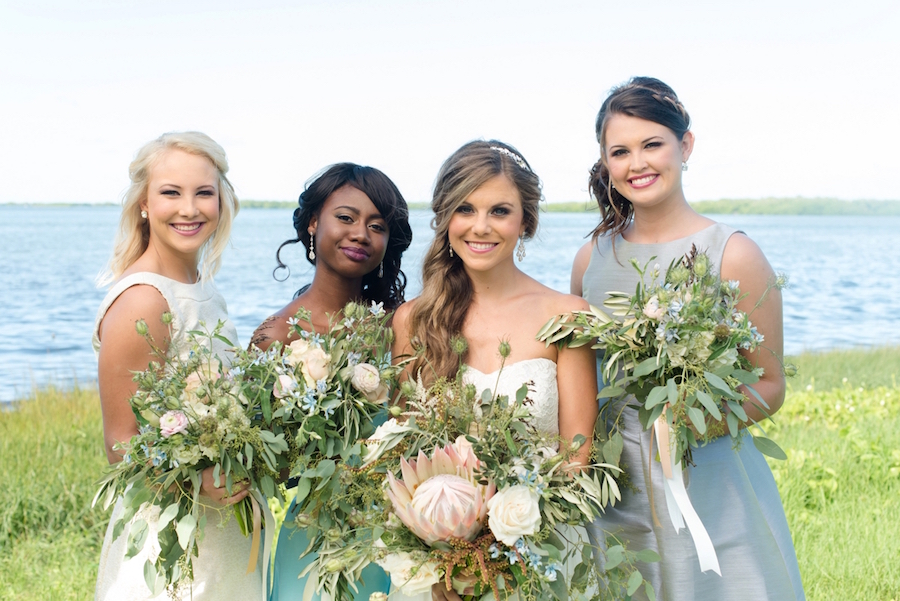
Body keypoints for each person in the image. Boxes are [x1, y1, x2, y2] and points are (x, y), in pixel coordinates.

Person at [571, 77, 805, 601]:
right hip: (614, 482)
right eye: (620, 151)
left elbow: (769, 385)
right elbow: (579, 374)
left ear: (686, 145)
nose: (638, 163)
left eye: (652, 144)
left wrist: (689, 424)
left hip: (707, 472)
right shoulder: (591, 259)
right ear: (605, 162)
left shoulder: (734, 253)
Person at [391, 140, 599, 601]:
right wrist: (448, 561)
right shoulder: (413, 321)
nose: (480, 227)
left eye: (499, 211)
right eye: (465, 209)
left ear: (525, 221)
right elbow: (405, 457)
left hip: (540, 553)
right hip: (437, 565)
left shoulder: (567, 316)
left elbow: (577, 454)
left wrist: (501, 557)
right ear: (445, 218)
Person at [92, 132, 262, 599]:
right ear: (144, 203)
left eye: (203, 192)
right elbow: (119, 443)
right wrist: (199, 481)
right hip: (175, 539)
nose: (189, 208)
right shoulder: (144, 299)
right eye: (171, 192)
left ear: (221, 200)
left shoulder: (202, 286)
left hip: (223, 527)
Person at [249, 162, 413, 601]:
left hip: (401, 533)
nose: (360, 233)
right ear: (312, 223)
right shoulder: (275, 336)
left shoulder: (402, 325)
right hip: (314, 538)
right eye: (346, 217)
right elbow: (268, 466)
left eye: (376, 226)